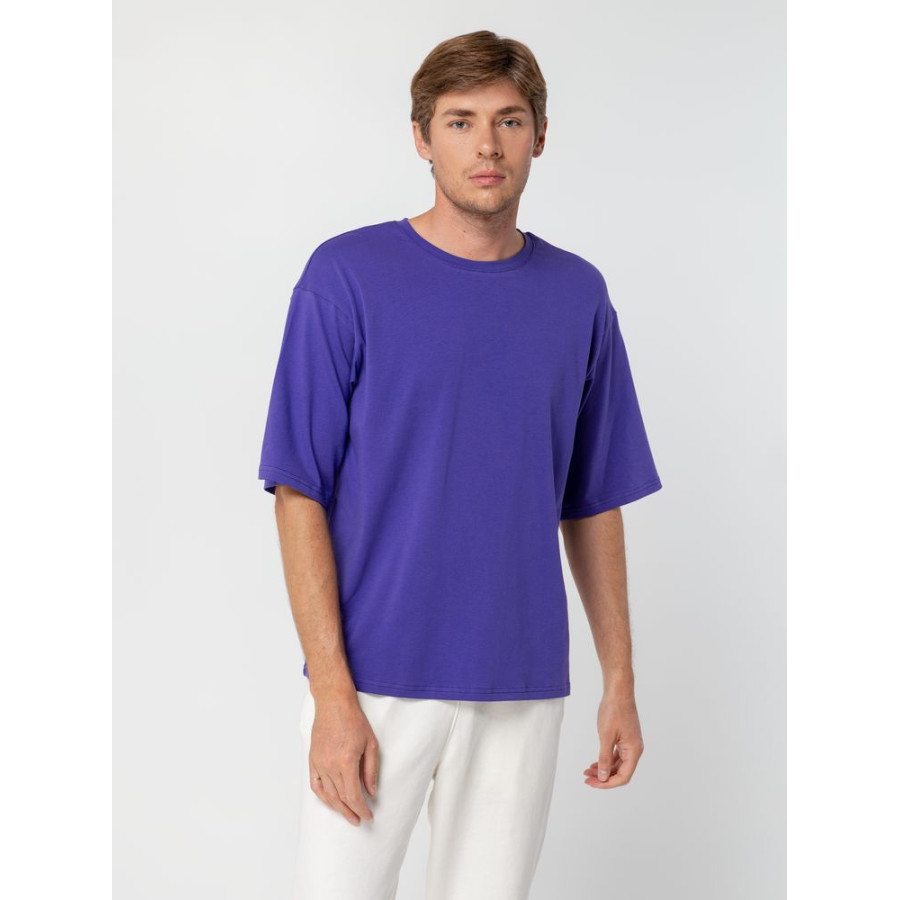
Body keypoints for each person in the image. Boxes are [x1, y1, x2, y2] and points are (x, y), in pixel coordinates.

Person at [258, 29, 663, 900]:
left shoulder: (578, 296)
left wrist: (620, 682)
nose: (487, 146)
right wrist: (333, 696)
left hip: (520, 683)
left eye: (509, 121)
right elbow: (298, 492)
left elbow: (593, 500)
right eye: (460, 121)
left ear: (540, 136)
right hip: (375, 683)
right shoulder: (345, 277)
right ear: (421, 137)